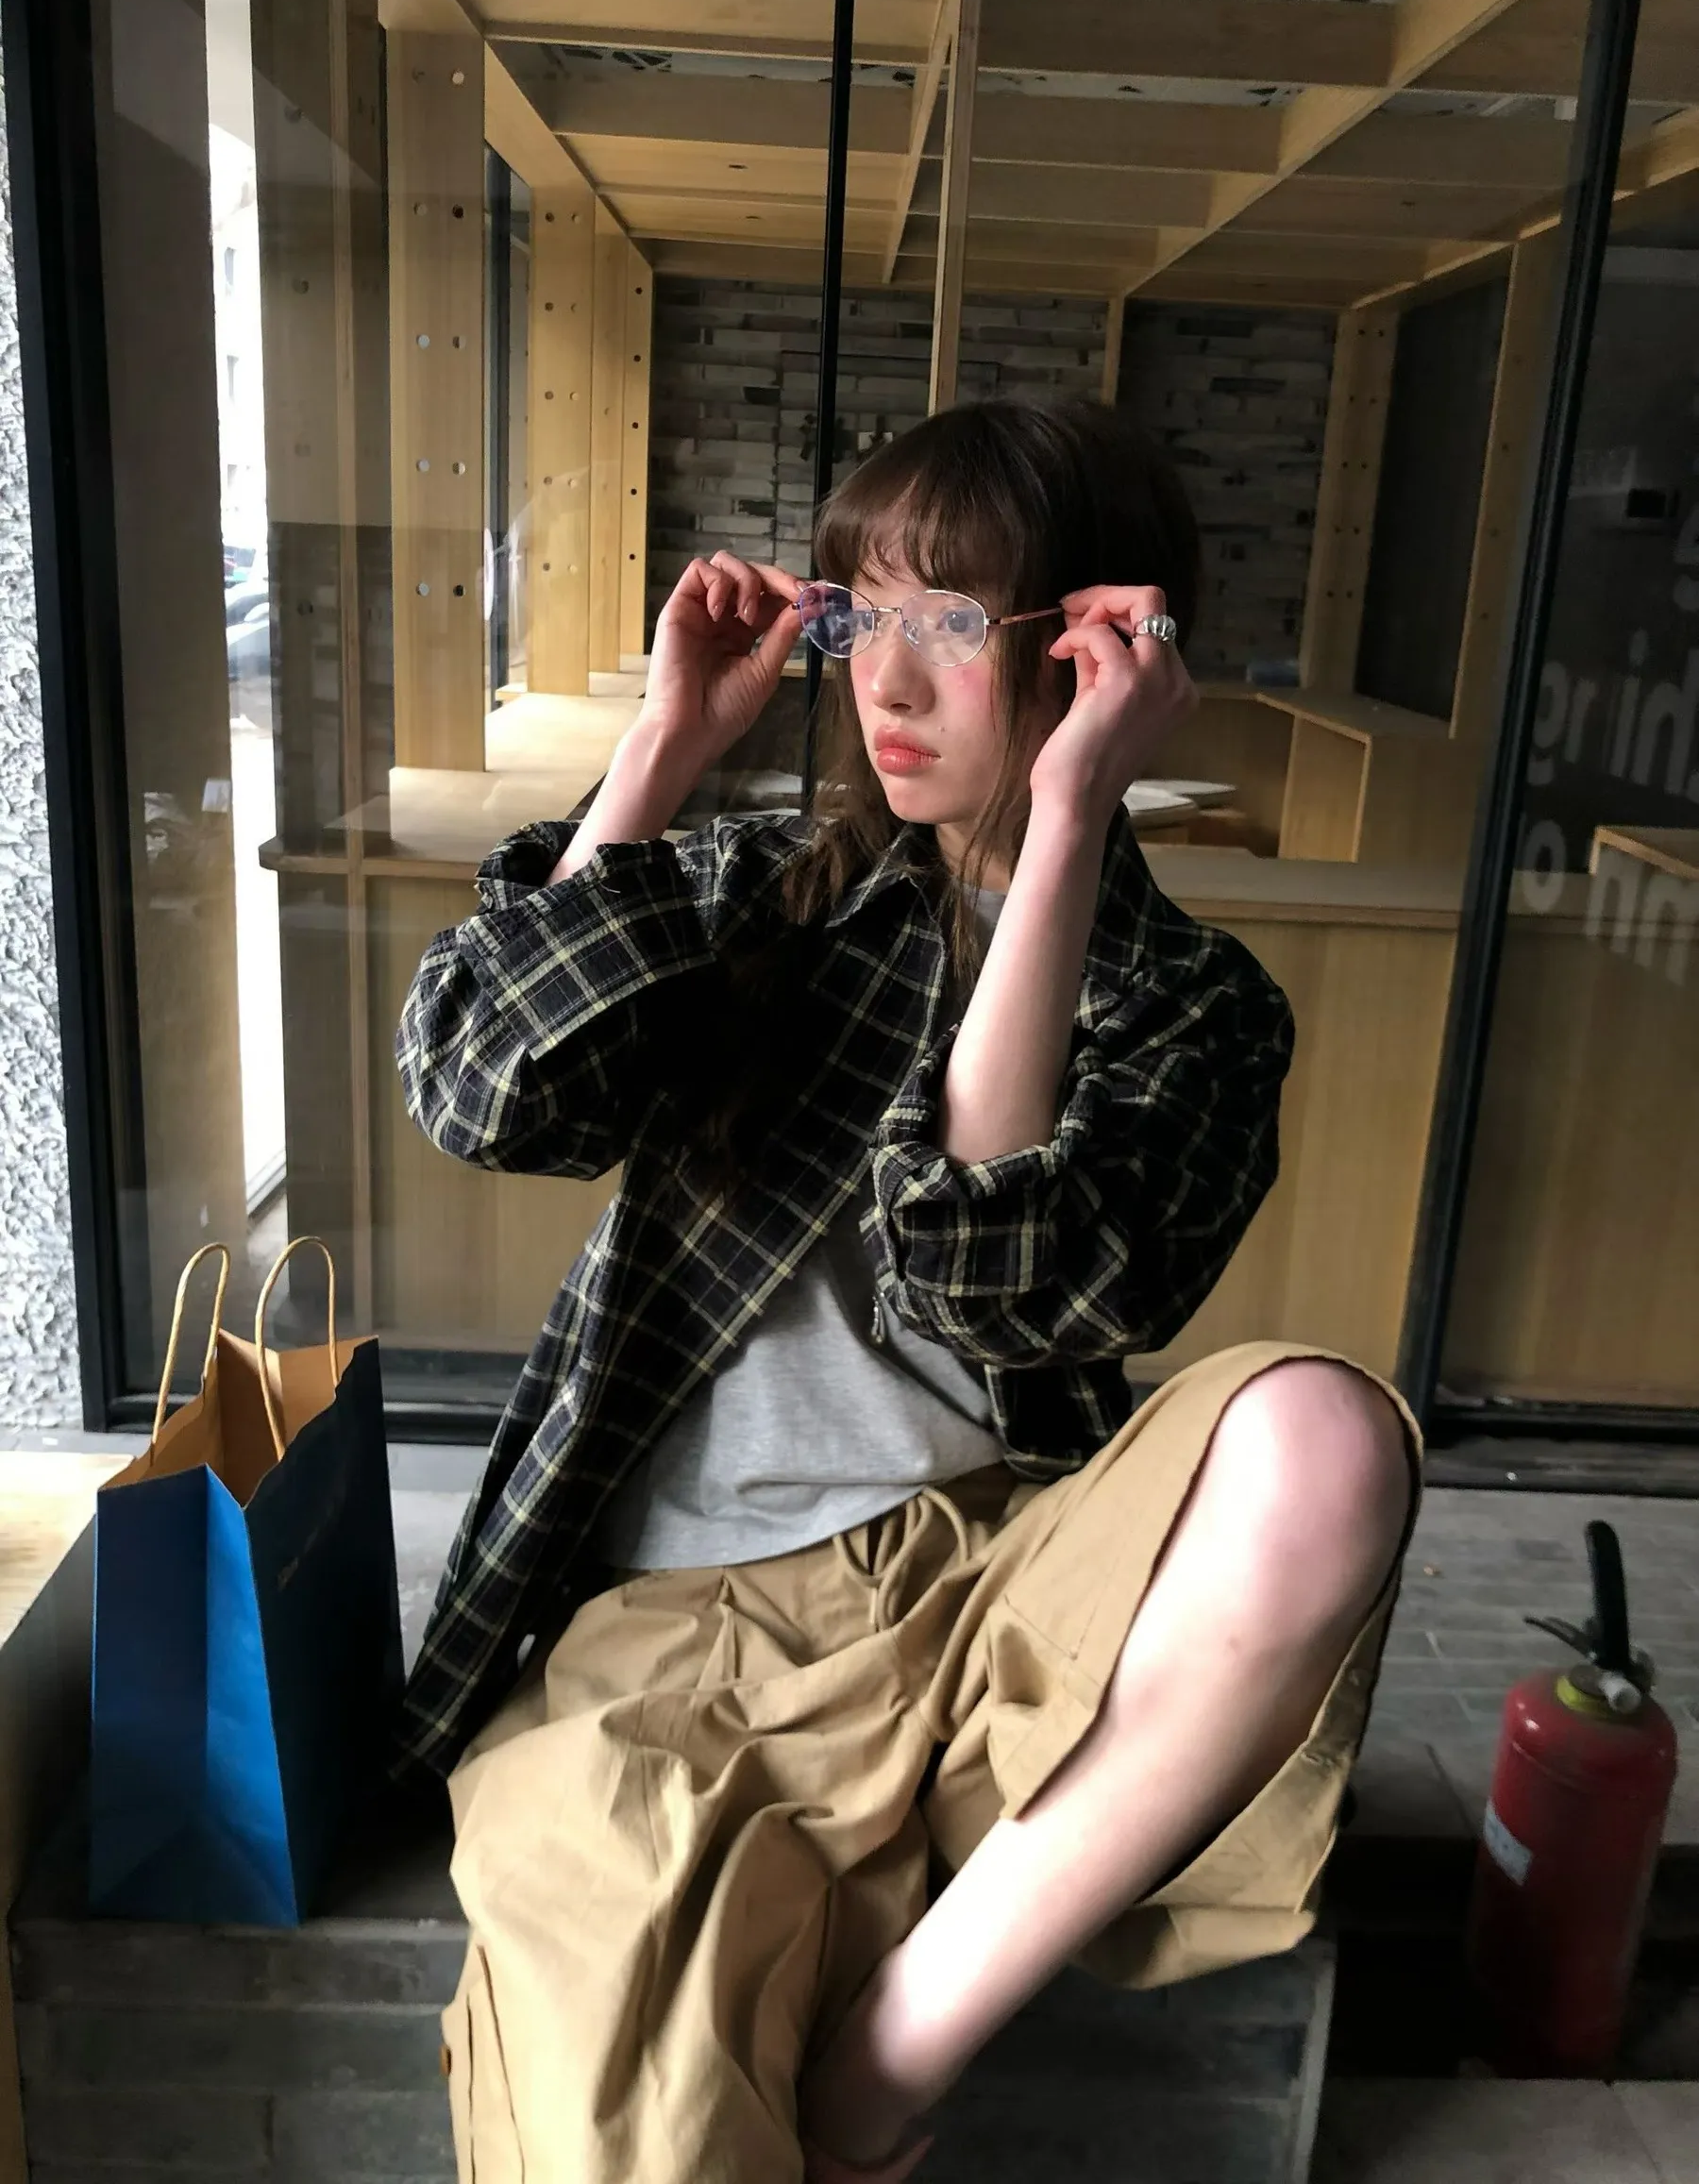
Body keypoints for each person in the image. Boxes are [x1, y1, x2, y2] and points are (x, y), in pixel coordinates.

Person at [395, 398, 1418, 2184]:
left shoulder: (1191, 1008)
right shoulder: (760, 895)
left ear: (1098, 643)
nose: (888, 677)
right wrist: (663, 745)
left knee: (1325, 1438)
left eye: (952, 618)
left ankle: (889, 2065)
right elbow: (483, 1091)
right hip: (685, 1617)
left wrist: (1068, 814)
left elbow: (988, 1286)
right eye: (864, 614)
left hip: (996, 1585)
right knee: (628, 2127)